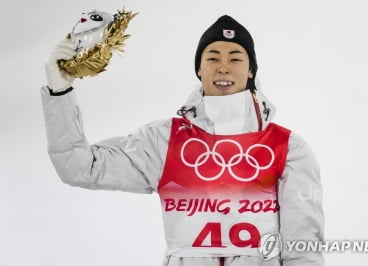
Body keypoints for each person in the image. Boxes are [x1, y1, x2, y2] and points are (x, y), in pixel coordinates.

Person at [41, 15, 324, 266]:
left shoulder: (287, 148)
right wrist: (59, 92)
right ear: (199, 69)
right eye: (212, 58)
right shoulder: (165, 140)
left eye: (236, 58)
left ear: (251, 70)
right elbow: (80, 167)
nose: (223, 67)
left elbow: (304, 247)